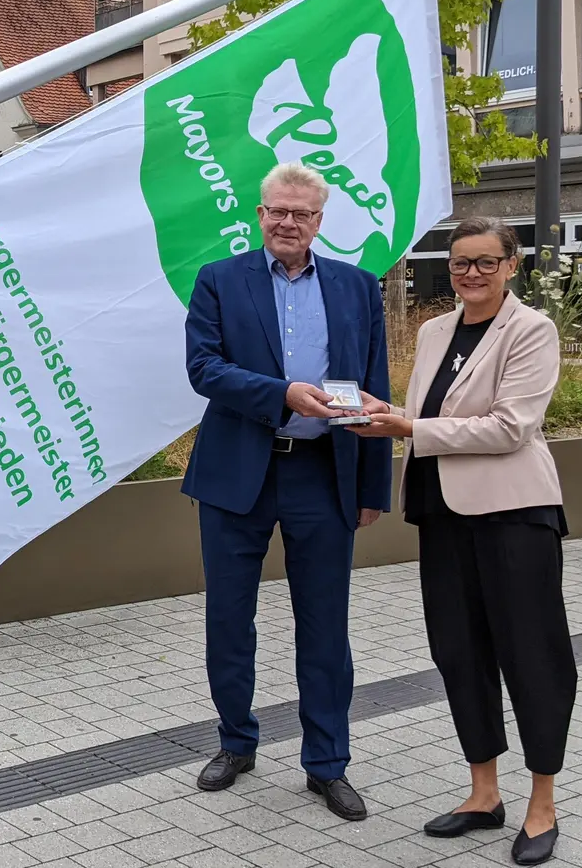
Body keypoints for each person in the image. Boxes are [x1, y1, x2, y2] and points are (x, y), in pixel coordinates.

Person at [347, 217, 574, 866]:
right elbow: (431, 414)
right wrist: (381, 412)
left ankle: (542, 804)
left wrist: (405, 426)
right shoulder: (434, 331)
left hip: (514, 515)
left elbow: (510, 427)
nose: (470, 274)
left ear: (511, 266)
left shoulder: (532, 330)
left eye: (484, 262)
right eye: (458, 264)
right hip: (444, 515)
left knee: (532, 657)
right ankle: (483, 795)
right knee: (459, 653)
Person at [180, 161, 391, 822]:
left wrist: (374, 484)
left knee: (326, 626)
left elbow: (374, 385)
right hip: (237, 473)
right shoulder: (219, 280)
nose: (287, 222)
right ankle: (236, 743)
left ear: (320, 221)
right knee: (228, 620)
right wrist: (280, 395)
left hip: (324, 474)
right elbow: (204, 368)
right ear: (260, 212)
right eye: (277, 210)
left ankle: (327, 763)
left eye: (301, 213)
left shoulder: (358, 287)